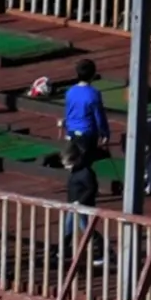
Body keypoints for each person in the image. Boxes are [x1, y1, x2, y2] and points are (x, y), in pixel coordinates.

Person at [59, 58, 107, 206]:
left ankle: (79, 193)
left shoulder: (70, 92)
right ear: (93, 75)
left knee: (75, 162)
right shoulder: (93, 94)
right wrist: (104, 133)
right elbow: (99, 115)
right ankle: (83, 196)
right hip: (87, 133)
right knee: (85, 164)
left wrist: (65, 126)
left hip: (72, 132)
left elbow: (68, 112)